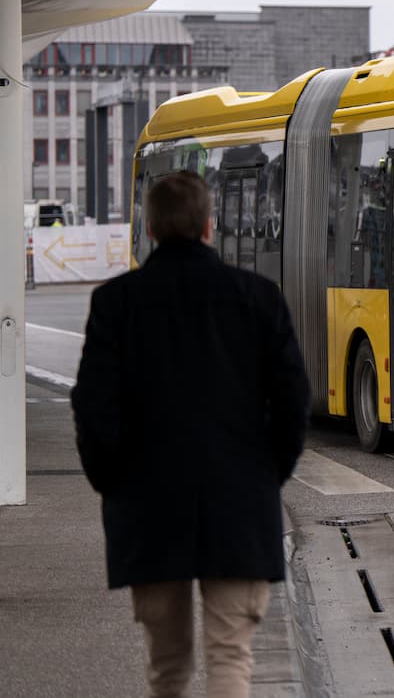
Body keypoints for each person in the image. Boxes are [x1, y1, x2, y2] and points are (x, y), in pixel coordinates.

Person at [71, 171, 310, 698]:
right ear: (209, 225)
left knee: (168, 664)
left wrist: (113, 481)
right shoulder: (258, 298)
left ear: (150, 228)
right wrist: (266, 474)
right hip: (239, 501)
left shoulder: (115, 302)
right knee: (231, 655)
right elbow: (294, 401)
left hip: (147, 503)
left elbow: (91, 407)